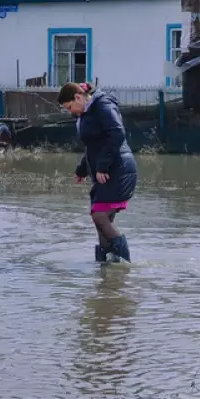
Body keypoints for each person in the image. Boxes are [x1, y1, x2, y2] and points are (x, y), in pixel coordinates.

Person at [58, 82, 138, 263]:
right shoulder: (88, 112)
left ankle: (124, 265)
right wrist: (81, 170)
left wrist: (103, 166)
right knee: (101, 221)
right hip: (107, 170)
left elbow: (117, 133)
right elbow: (93, 146)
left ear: (78, 97)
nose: (71, 112)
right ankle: (106, 268)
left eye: (69, 107)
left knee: (100, 216)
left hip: (118, 169)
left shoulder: (103, 104)